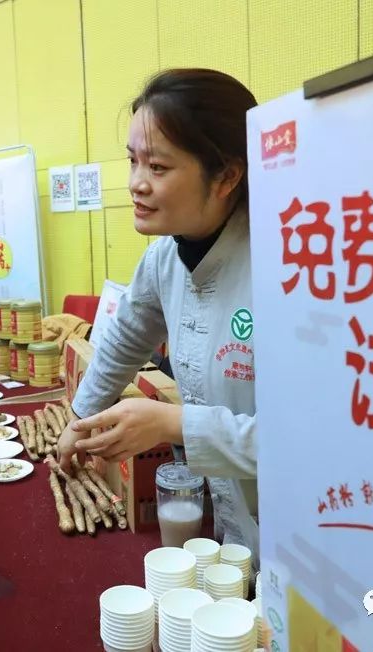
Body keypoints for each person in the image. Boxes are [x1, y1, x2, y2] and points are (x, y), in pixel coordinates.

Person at [57, 69, 260, 555]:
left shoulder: (284, 268)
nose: (136, 184)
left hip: (303, 538)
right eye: (133, 161)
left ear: (227, 176)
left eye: (158, 167)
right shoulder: (164, 258)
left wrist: (172, 423)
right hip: (230, 532)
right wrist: (80, 418)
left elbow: (310, 444)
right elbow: (125, 337)